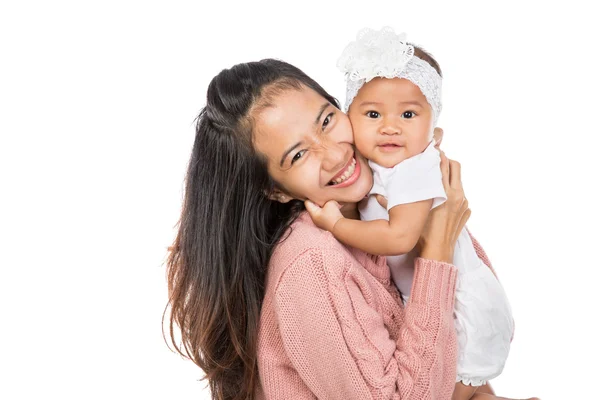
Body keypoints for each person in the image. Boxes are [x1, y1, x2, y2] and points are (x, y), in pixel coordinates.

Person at [165, 58, 535, 399]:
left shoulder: (380, 199)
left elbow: (461, 344)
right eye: (298, 155)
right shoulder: (311, 262)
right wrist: (437, 246)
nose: (335, 153)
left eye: (326, 120)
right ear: (275, 189)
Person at [304, 28, 514, 400]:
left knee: (449, 393)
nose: (390, 126)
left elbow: (399, 237)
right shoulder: (380, 167)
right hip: (427, 299)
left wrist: (337, 224)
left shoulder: (415, 170)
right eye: (372, 114)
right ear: (349, 117)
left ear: (435, 129)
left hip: (459, 307)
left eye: (408, 114)